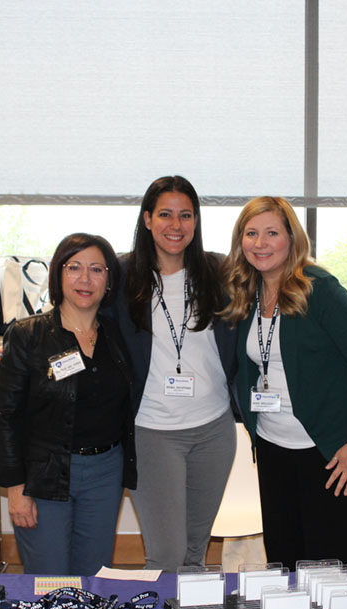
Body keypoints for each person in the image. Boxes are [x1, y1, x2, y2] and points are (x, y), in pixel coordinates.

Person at [221, 196, 347, 570]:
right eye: (251, 233)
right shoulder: (247, 292)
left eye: (272, 233)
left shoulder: (320, 289)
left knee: (328, 573)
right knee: (283, 565)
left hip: (329, 452)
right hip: (274, 449)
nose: (260, 243)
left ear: (292, 239)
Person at [0, 233, 137, 575]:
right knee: (49, 579)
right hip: (45, 473)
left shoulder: (118, 335)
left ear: (108, 280)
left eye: (96, 269)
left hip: (106, 472)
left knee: (94, 577)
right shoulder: (27, 335)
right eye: (74, 268)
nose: (85, 279)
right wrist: (15, 488)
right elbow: (5, 417)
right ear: (58, 274)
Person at [111, 176, 237, 572]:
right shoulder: (120, 275)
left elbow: (277, 290)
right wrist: (19, 343)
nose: (175, 225)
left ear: (196, 222)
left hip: (214, 430)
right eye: (165, 214)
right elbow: (69, 306)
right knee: (165, 556)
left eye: (185, 215)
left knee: (195, 554)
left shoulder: (218, 272)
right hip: (152, 431)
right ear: (147, 219)